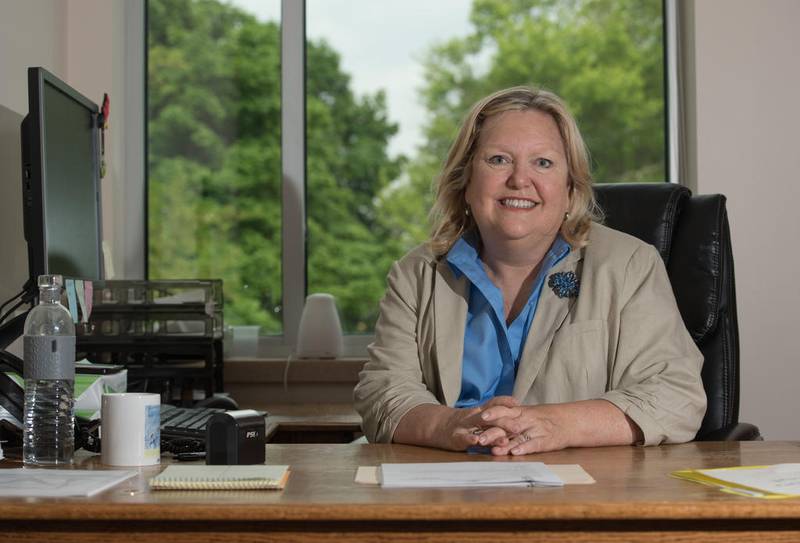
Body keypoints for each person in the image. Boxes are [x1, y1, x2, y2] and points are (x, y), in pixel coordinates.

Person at [353, 86, 706, 455]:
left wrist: (557, 425)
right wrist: (451, 425)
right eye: (498, 160)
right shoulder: (417, 274)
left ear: (571, 189)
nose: (520, 180)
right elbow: (382, 390)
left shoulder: (629, 265)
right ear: (465, 182)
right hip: (447, 491)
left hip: (580, 496)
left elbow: (676, 396)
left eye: (543, 163)